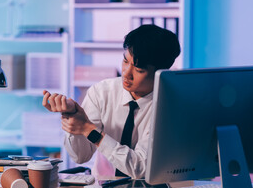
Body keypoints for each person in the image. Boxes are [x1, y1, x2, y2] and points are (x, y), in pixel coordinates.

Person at [42, 25, 180, 179]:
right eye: (125, 61)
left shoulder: (169, 105)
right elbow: (80, 156)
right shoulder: (102, 92)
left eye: (139, 70)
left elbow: (140, 168)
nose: (126, 73)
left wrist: (90, 131)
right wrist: (72, 115)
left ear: (161, 72)